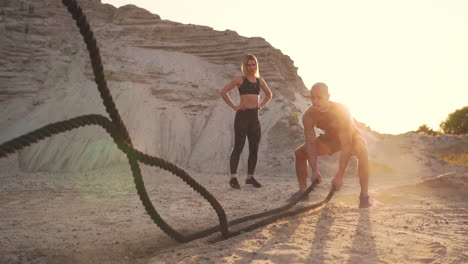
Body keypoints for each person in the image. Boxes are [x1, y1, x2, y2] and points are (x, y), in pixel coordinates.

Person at [293, 82, 371, 208]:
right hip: (331, 139)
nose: (315, 101)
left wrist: (339, 176)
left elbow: (346, 145)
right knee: (300, 153)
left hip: (351, 137)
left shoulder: (341, 111)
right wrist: (314, 170)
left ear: (328, 96)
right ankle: (303, 192)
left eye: (319, 98)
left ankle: (364, 196)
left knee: (363, 149)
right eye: (312, 97)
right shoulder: (309, 115)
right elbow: (311, 143)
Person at [219, 54, 273, 189]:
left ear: (256, 65)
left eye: (253, 64)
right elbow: (223, 92)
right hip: (242, 117)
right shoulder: (240, 79)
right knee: (239, 147)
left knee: (254, 149)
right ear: (244, 66)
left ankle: (250, 177)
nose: (251, 67)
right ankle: (233, 178)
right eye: (248, 65)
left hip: (254, 118)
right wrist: (235, 106)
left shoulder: (260, 81)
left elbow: (269, 94)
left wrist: (261, 105)